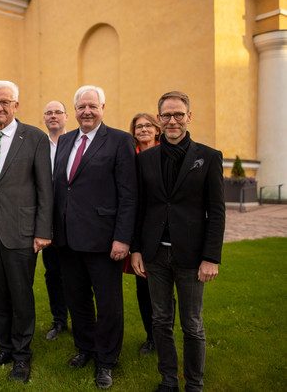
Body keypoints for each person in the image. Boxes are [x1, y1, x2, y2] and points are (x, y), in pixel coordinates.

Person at [130, 91, 225, 392]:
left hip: (192, 256)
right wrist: (135, 249)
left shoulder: (208, 157)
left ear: (189, 117)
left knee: (192, 325)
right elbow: (139, 207)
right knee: (160, 320)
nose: (173, 120)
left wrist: (211, 257)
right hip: (155, 254)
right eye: (167, 115)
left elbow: (217, 211)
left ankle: (194, 384)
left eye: (178, 115)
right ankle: (169, 380)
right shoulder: (145, 159)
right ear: (158, 120)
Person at [52, 85, 137, 389]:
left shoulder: (119, 141)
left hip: (104, 240)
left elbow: (129, 195)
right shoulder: (64, 141)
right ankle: (85, 348)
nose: (86, 111)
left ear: (103, 107)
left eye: (92, 106)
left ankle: (106, 360)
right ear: (74, 111)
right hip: (67, 239)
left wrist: (123, 238)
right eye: (81, 107)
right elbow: (62, 187)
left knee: (109, 303)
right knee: (77, 300)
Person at [0, 80, 53, 383]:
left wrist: (43, 230)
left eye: (5, 102)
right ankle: (3, 348)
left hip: (22, 231)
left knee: (21, 296)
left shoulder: (34, 138)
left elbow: (46, 189)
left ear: (16, 105)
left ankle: (21, 355)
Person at [128, 113, 164, 355]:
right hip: (139, 229)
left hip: (164, 229)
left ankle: (164, 334)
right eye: (138, 126)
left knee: (164, 288)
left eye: (147, 125)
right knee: (144, 288)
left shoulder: (167, 154)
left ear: (156, 129)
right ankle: (151, 337)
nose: (143, 129)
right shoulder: (130, 157)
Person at [41, 100, 69, 341]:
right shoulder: (38, 145)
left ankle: (82, 317)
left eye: (58, 112)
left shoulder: (75, 142)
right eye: (48, 113)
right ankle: (59, 320)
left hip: (73, 219)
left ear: (66, 117)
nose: (53, 116)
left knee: (77, 272)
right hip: (47, 220)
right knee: (53, 273)